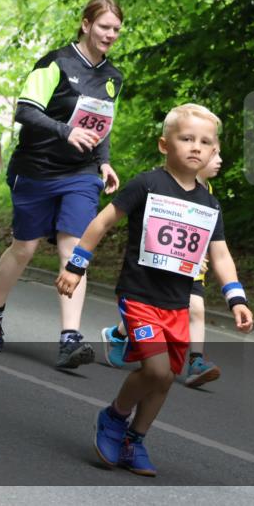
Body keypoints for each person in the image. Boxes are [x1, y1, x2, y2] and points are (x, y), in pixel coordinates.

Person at [56, 104, 253, 477]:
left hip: (177, 304)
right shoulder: (147, 184)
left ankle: (135, 439)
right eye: (187, 138)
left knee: (165, 379)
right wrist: (76, 265)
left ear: (214, 151)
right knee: (156, 369)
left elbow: (220, 255)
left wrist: (236, 298)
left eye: (205, 142)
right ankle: (114, 417)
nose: (196, 147)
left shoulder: (209, 204)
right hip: (139, 296)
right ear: (165, 144)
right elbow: (102, 222)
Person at [0, 0, 124, 370]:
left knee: (74, 248)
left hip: (80, 173)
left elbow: (103, 124)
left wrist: (104, 162)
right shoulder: (55, 62)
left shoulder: (113, 77)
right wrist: (65, 131)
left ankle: (69, 337)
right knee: (24, 248)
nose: (110, 34)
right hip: (36, 168)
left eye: (116, 29)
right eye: (104, 26)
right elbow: (25, 111)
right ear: (86, 24)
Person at [100, 150, 224, 387]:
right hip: (157, 271)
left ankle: (196, 361)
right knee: (154, 311)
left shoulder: (207, 194)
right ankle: (117, 335)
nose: (219, 161)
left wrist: (202, 257)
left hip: (189, 269)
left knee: (196, 309)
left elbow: (204, 234)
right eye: (214, 156)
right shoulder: (158, 184)